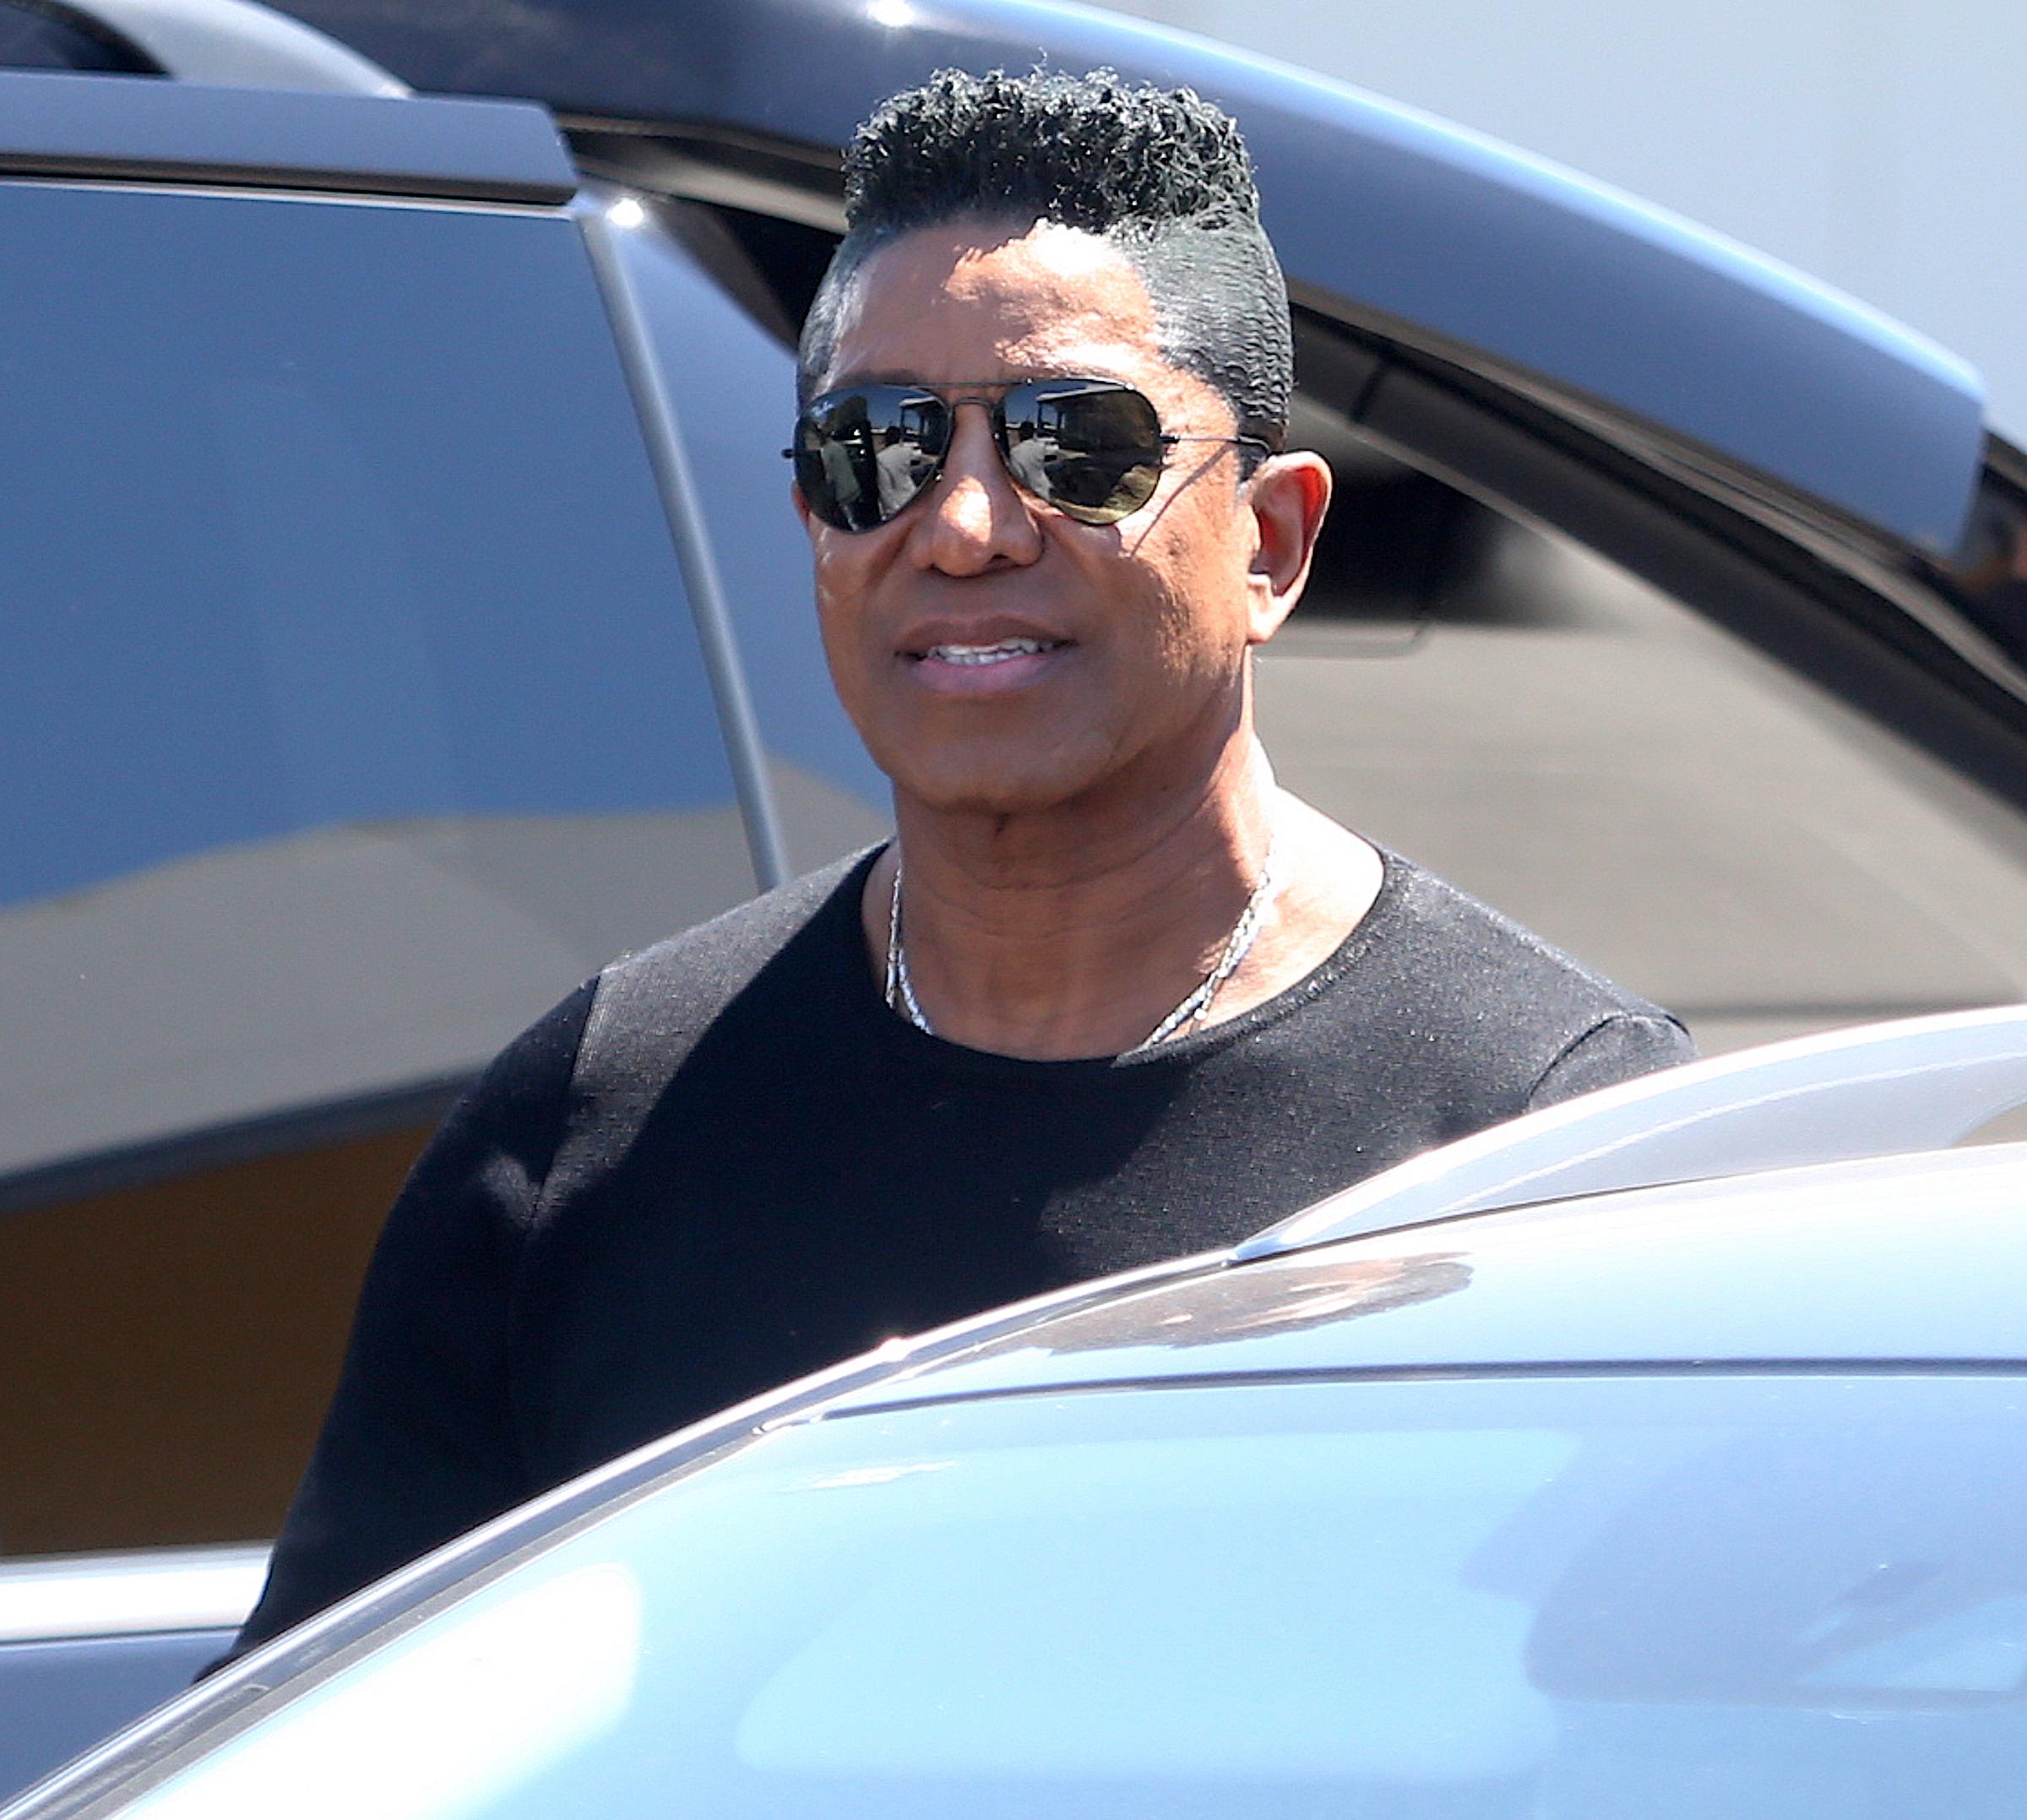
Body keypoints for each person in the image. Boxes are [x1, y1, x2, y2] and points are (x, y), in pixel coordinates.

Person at [231, 68, 1693, 1652]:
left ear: (1270, 543)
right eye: (880, 448)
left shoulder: (1548, 1138)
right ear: (813, 522)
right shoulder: (594, 1128)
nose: (969, 524)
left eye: (1080, 444)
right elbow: (340, 1737)